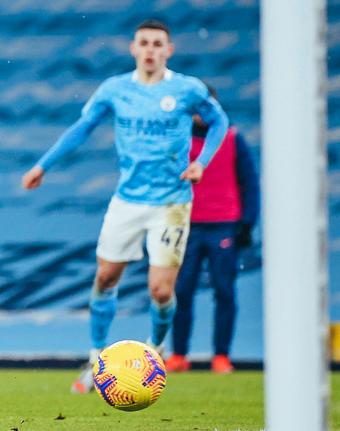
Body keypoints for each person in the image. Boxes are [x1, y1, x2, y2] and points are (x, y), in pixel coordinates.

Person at [21, 20, 228, 394]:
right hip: (127, 202)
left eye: (157, 44)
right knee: (104, 278)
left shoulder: (186, 89)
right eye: (144, 43)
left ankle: (155, 352)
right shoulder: (115, 89)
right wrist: (43, 165)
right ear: (133, 48)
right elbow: (81, 128)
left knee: (161, 291)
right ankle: (96, 359)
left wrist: (202, 162)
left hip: (171, 204)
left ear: (169, 50)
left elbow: (219, 121)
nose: (150, 49)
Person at [165, 85, 259, 374]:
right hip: (187, 225)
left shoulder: (231, 139)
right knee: (181, 291)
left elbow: (249, 181)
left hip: (223, 225)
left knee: (224, 291)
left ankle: (221, 356)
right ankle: (179, 354)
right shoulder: (177, 140)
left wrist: (247, 222)